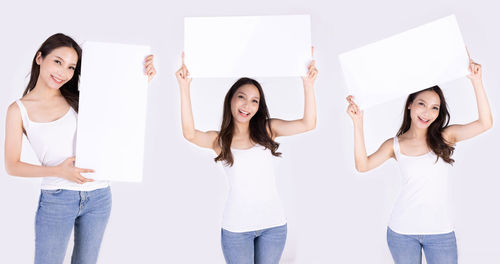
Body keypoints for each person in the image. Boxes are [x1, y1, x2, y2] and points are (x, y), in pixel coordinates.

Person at [4, 33, 156, 264]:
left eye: (71, 67)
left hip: (99, 195)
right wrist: (59, 171)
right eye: (57, 61)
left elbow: (119, 112)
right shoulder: (18, 110)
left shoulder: (80, 99)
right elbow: (12, 166)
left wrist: (141, 79)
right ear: (39, 58)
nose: (63, 72)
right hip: (57, 198)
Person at [346, 56, 492, 264]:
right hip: (402, 232)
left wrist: (476, 81)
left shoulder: (445, 137)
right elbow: (363, 165)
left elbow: (485, 123)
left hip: (441, 233)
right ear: (410, 105)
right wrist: (357, 122)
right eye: (422, 104)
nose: (427, 112)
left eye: (435, 108)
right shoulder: (394, 145)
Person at [175, 51, 318, 263]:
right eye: (241, 97)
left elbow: (308, 123)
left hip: (274, 226)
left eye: (254, 101)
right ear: (231, 99)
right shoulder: (220, 141)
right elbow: (190, 133)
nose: (247, 106)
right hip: (237, 230)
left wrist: (308, 84)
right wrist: (184, 87)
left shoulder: (268, 129)